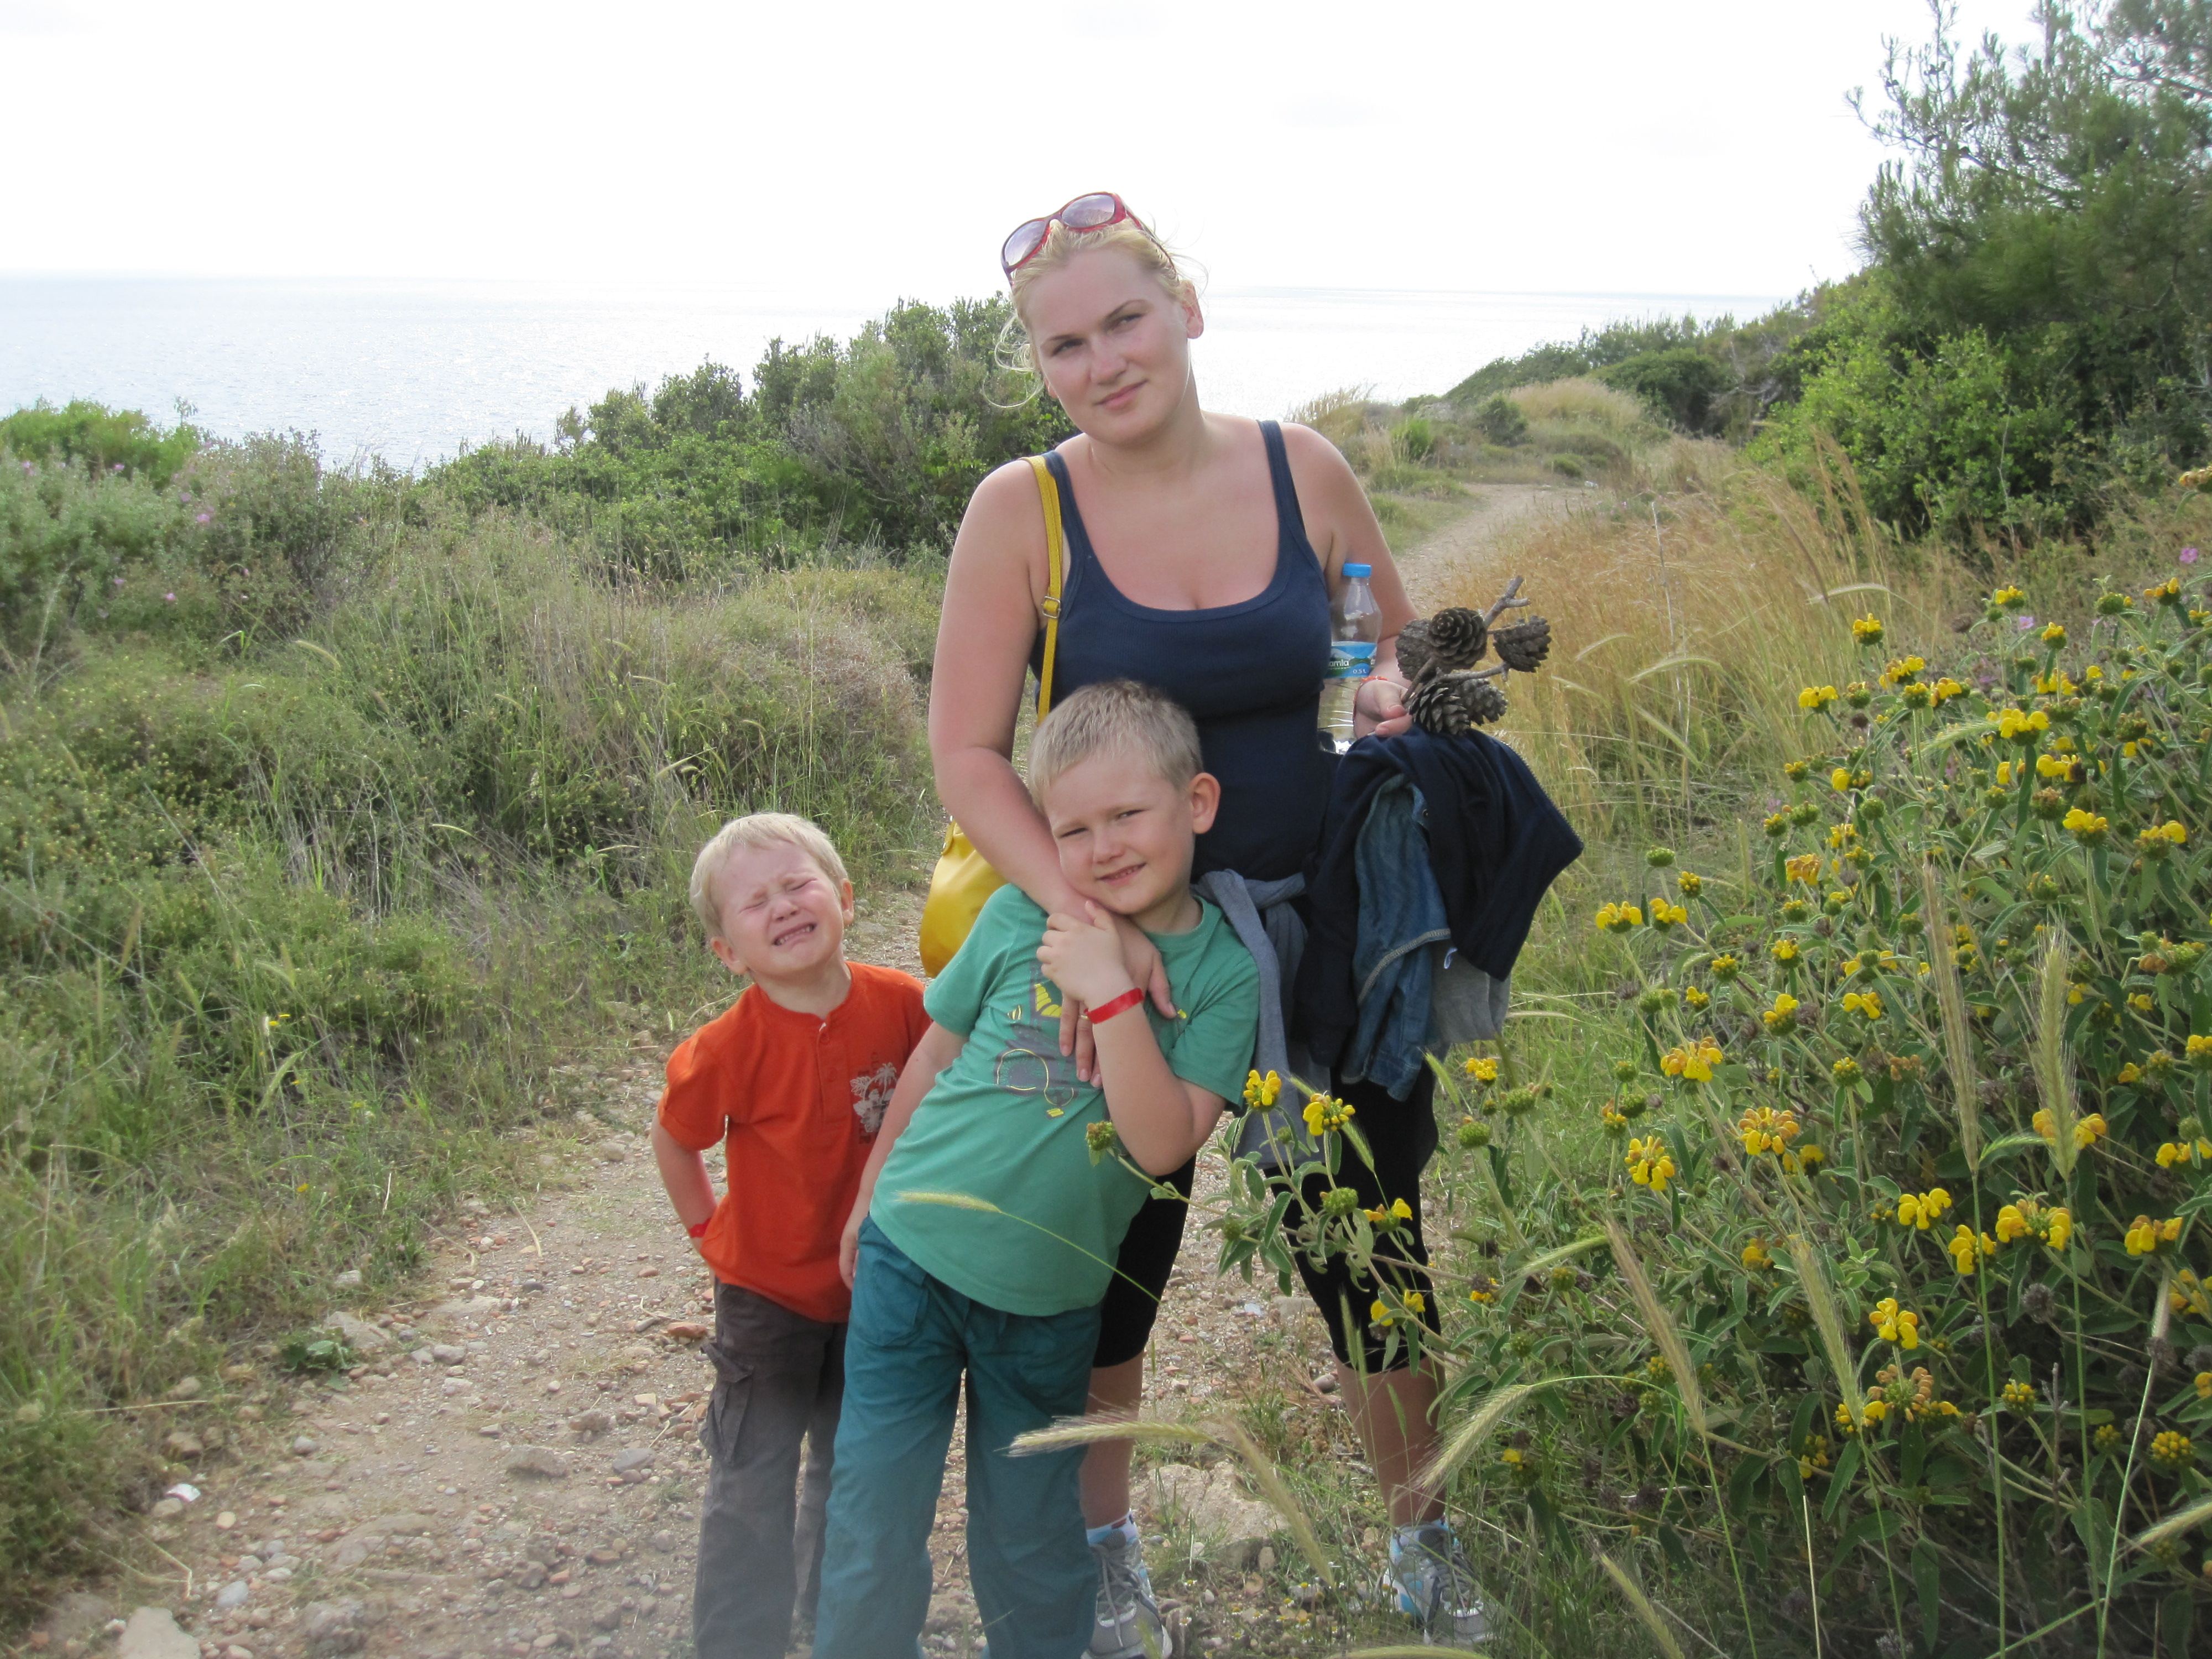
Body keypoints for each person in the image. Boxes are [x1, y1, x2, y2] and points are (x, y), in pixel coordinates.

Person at [926, 192, 1488, 1649]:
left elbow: (1370, 656)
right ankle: (1104, 1560)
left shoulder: (1306, 473)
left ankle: (1424, 1545)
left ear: (1185, 309)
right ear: (1040, 367)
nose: (1102, 361)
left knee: (1370, 1255)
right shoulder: (1022, 512)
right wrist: (1087, 926)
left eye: (1125, 320)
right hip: (1131, 951)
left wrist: (1379, 703)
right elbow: (969, 756)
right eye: (1064, 345)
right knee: (1106, 1270)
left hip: (1323, 939)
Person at [813, 680, 1260, 1659]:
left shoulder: (1225, 976)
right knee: (873, 1517)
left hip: (1051, 1303)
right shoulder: (1020, 915)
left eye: (1127, 815)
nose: (1104, 848)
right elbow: (934, 1056)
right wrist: (870, 1193)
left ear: (1197, 803)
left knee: (1030, 1541)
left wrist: (1112, 997)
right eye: (1073, 830)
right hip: (911, 1255)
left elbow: (1162, 1145)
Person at [649, 813, 930, 1659]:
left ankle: (829, 1614)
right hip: (764, 1304)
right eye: (755, 902)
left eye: (799, 884)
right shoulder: (726, 1049)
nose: (783, 906)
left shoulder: (907, 1008)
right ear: (728, 952)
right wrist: (709, 1228)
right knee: (751, 1479)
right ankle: (740, 1640)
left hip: (875, 1291)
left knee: (849, 1470)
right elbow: (676, 1138)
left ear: (845, 897)